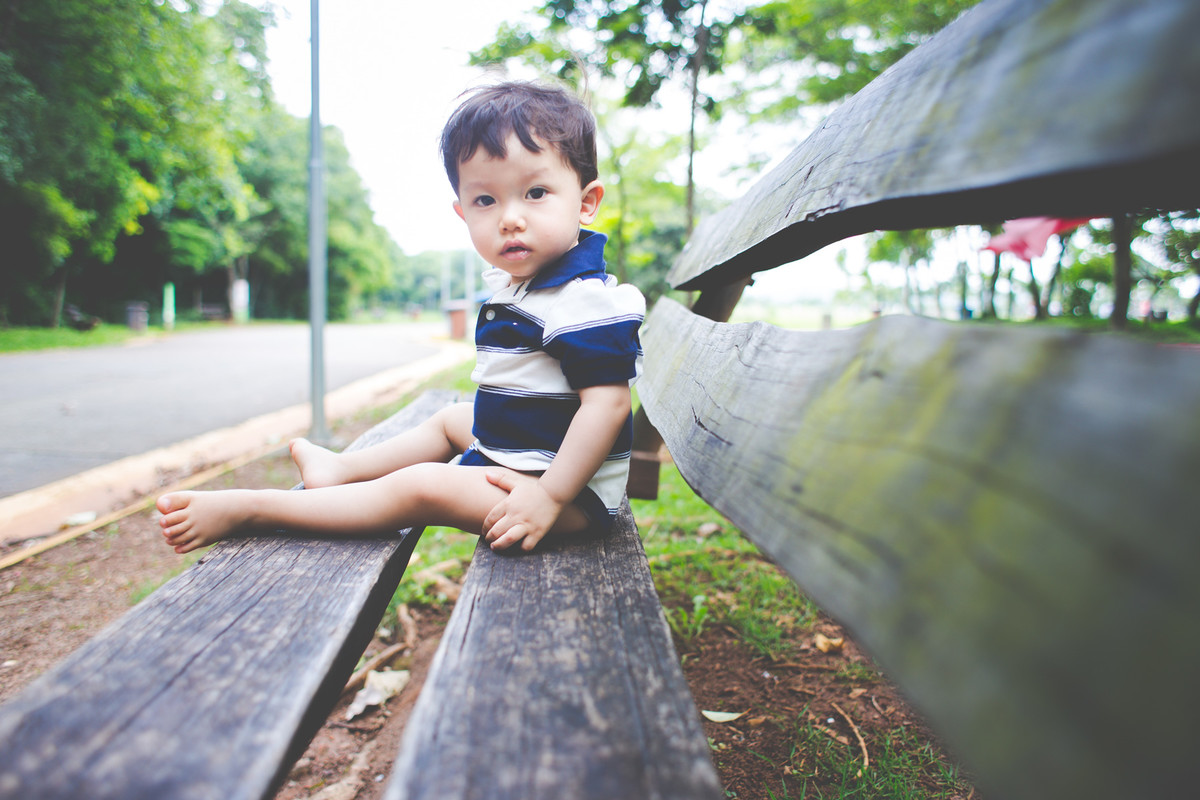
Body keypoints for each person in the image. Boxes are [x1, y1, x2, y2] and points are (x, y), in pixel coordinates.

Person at [157, 81, 644, 555]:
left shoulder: (582, 301)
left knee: (424, 485)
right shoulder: (529, 285)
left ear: (585, 203)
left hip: (567, 495)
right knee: (453, 419)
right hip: (524, 459)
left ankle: (258, 509)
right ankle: (340, 472)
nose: (509, 217)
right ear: (462, 212)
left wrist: (550, 496)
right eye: (485, 200)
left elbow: (607, 407)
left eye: (535, 193)